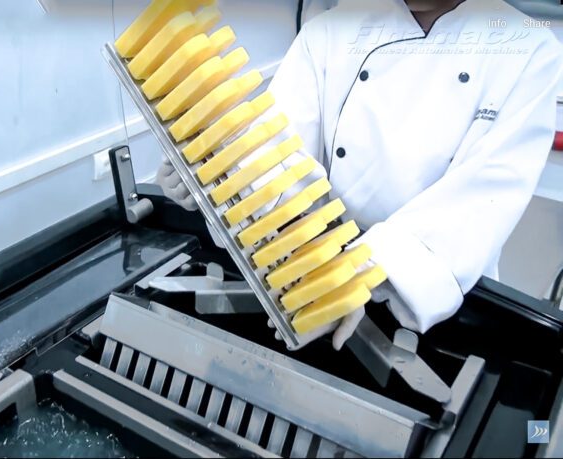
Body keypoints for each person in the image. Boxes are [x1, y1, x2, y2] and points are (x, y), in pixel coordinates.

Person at [157, 0, 563, 349]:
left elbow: (479, 200)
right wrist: (222, 181)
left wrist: (361, 271)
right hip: (315, 278)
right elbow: (279, 157)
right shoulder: (331, 29)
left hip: (431, 289)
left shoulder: (529, 49)